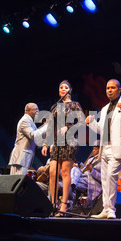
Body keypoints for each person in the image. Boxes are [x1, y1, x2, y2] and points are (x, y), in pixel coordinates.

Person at [86, 79, 121, 219]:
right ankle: (106, 209)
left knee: (111, 176)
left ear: (119, 89)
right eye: (107, 88)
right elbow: (101, 129)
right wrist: (91, 123)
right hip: (105, 147)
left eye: (112, 88)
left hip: (118, 147)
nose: (109, 90)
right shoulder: (104, 109)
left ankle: (111, 210)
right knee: (104, 179)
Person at [42, 80, 84, 216]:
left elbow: (82, 122)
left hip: (70, 141)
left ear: (70, 90)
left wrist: (69, 127)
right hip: (56, 141)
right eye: (61, 87)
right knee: (53, 172)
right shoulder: (55, 107)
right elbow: (50, 126)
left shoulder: (75, 105)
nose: (63, 89)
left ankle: (64, 204)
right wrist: (45, 143)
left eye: (66, 87)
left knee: (65, 172)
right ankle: (52, 204)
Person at [8, 103, 46, 175]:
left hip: (24, 159)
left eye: (38, 109)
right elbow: (32, 135)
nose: (38, 111)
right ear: (28, 111)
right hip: (20, 158)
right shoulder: (25, 121)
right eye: (36, 110)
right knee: (17, 182)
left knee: (20, 182)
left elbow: (36, 140)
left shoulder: (31, 122)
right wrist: (45, 127)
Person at [70, 141, 102, 208]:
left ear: (101, 150)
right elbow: (83, 171)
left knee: (69, 185)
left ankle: (72, 185)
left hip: (92, 181)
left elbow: (103, 178)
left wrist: (91, 170)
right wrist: (78, 167)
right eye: (93, 149)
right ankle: (72, 183)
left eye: (95, 149)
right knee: (74, 169)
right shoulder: (91, 159)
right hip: (83, 177)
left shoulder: (103, 162)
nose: (93, 151)